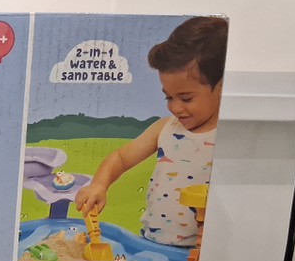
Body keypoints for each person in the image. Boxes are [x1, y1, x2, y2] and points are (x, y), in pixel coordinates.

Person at [76, 16, 228, 246]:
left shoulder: (228, 138)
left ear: (222, 87)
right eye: (169, 97)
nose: (176, 108)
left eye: (186, 98)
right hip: (151, 244)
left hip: (200, 253)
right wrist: (99, 184)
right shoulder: (165, 128)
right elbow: (121, 157)